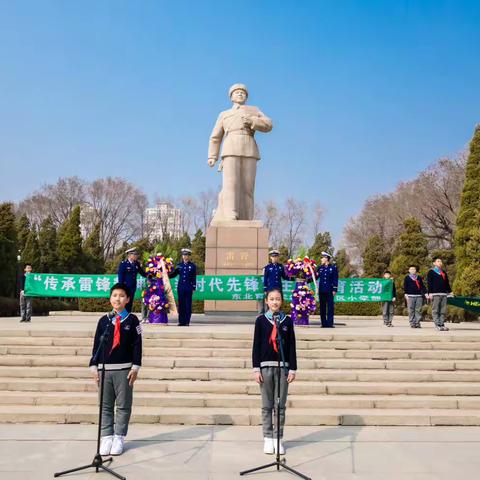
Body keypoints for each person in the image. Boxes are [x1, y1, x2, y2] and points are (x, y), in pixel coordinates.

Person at [89, 283, 142, 456]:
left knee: (123, 405)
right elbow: (97, 344)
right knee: (104, 405)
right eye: (114, 295)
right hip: (105, 370)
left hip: (124, 369)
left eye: (121, 295)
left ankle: (119, 436)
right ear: (110, 298)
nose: (117, 298)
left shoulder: (132, 320)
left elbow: (137, 345)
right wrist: (93, 365)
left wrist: (136, 366)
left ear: (127, 299)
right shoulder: (103, 321)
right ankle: (106, 436)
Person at [207, 83, 273, 222]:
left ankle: (247, 215)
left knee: (248, 186)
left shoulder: (254, 110)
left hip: (249, 147)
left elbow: (268, 124)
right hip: (230, 148)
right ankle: (231, 213)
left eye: (243, 93)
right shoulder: (224, 114)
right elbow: (215, 136)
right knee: (231, 184)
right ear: (231, 97)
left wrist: (253, 120)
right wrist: (213, 156)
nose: (240, 94)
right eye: (237, 92)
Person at [252, 288, 297, 455]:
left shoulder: (287, 321)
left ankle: (278, 439)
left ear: (282, 301)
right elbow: (256, 345)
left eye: (278, 299)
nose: (275, 302)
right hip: (265, 367)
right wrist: (256, 368)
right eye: (271, 299)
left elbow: (292, 345)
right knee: (266, 405)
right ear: (266, 301)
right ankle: (268, 438)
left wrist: (292, 368)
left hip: (283, 368)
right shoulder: (261, 321)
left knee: (280, 406)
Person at [169, 248, 197, 326]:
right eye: (184, 255)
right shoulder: (179, 265)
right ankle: (181, 321)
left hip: (188, 287)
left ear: (189, 256)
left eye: (187, 255)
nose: (185, 257)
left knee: (188, 305)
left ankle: (187, 321)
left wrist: (194, 287)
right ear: (182, 256)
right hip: (181, 288)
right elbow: (173, 274)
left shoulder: (193, 266)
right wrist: (166, 274)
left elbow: (194, 277)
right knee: (181, 305)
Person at [427, 258, 453, 331]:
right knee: (435, 310)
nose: (440, 262)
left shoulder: (443, 272)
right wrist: (430, 293)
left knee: (443, 310)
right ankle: (437, 324)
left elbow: (447, 283)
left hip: (444, 294)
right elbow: (429, 283)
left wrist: (450, 291)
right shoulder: (431, 272)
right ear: (434, 263)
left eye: (441, 261)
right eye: (438, 261)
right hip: (435, 294)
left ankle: (442, 324)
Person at [117, 248, 147, 313]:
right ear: (130, 255)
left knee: (130, 302)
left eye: (136, 254)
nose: (136, 256)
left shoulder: (136, 263)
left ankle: (128, 315)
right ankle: (122, 316)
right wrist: (121, 287)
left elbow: (142, 272)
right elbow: (120, 276)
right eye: (135, 254)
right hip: (125, 287)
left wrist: (150, 275)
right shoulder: (123, 264)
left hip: (133, 287)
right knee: (124, 302)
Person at [317, 252, 338, 328]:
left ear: (327, 258)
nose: (321, 259)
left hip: (329, 290)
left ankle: (330, 323)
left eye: (322, 258)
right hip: (322, 290)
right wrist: (305, 278)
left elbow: (335, 279)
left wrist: (335, 289)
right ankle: (323, 323)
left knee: (330, 307)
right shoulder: (320, 268)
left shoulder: (333, 268)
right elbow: (315, 277)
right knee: (322, 307)